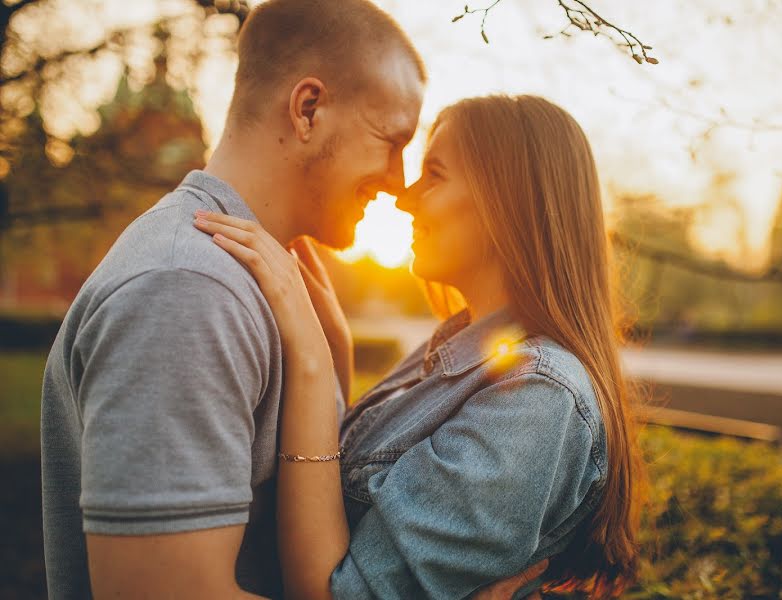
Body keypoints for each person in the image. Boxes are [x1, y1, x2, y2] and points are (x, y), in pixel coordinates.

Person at [41, 0, 541, 597]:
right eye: (391, 139)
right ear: (309, 110)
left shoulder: (265, 284)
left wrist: (329, 361)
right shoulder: (189, 289)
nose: (397, 182)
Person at [193, 94, 646, 599]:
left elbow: (334, 593)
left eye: (434, 174)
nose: (404, 198)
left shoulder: (537, 397)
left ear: (508, 200)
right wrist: (335, 346)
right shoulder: (456, 351)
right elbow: (342, 491)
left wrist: (311, 358)